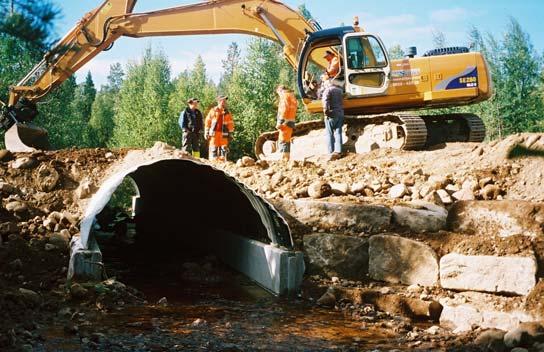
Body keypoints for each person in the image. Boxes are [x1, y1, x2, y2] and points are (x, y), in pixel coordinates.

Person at [205, 95, 234, 161]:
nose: (224, 102)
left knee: (224, 149)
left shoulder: (227, 112)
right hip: (214, 133)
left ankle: (223, 165)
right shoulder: (213, 110)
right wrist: (206, 131)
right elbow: (207, 121)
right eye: (222, 100)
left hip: (224, 133)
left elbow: (231, 123)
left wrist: (231, 133)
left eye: (225, 101)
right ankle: (213, 163)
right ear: (218, 101)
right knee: (213, 148)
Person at [321, 79, 344, 160]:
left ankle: (330, 152)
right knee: (338, 133)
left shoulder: (327, 91)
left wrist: (326, 112)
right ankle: (338, 151)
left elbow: (325, 101)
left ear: (327, 85)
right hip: (340, 113)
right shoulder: (339, 91)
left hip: (332, 114)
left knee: (329, 133)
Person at [275, 85, 298, 161]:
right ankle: (287, 158)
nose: (279, 95)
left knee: (283, 140)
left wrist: (280, 122)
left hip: (285, 122)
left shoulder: (285, 96)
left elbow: (284, 109)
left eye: (278, 93)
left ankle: (284, 159)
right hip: (290, 121)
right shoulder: (292, 96)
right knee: (287, 140)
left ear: (280, 91)